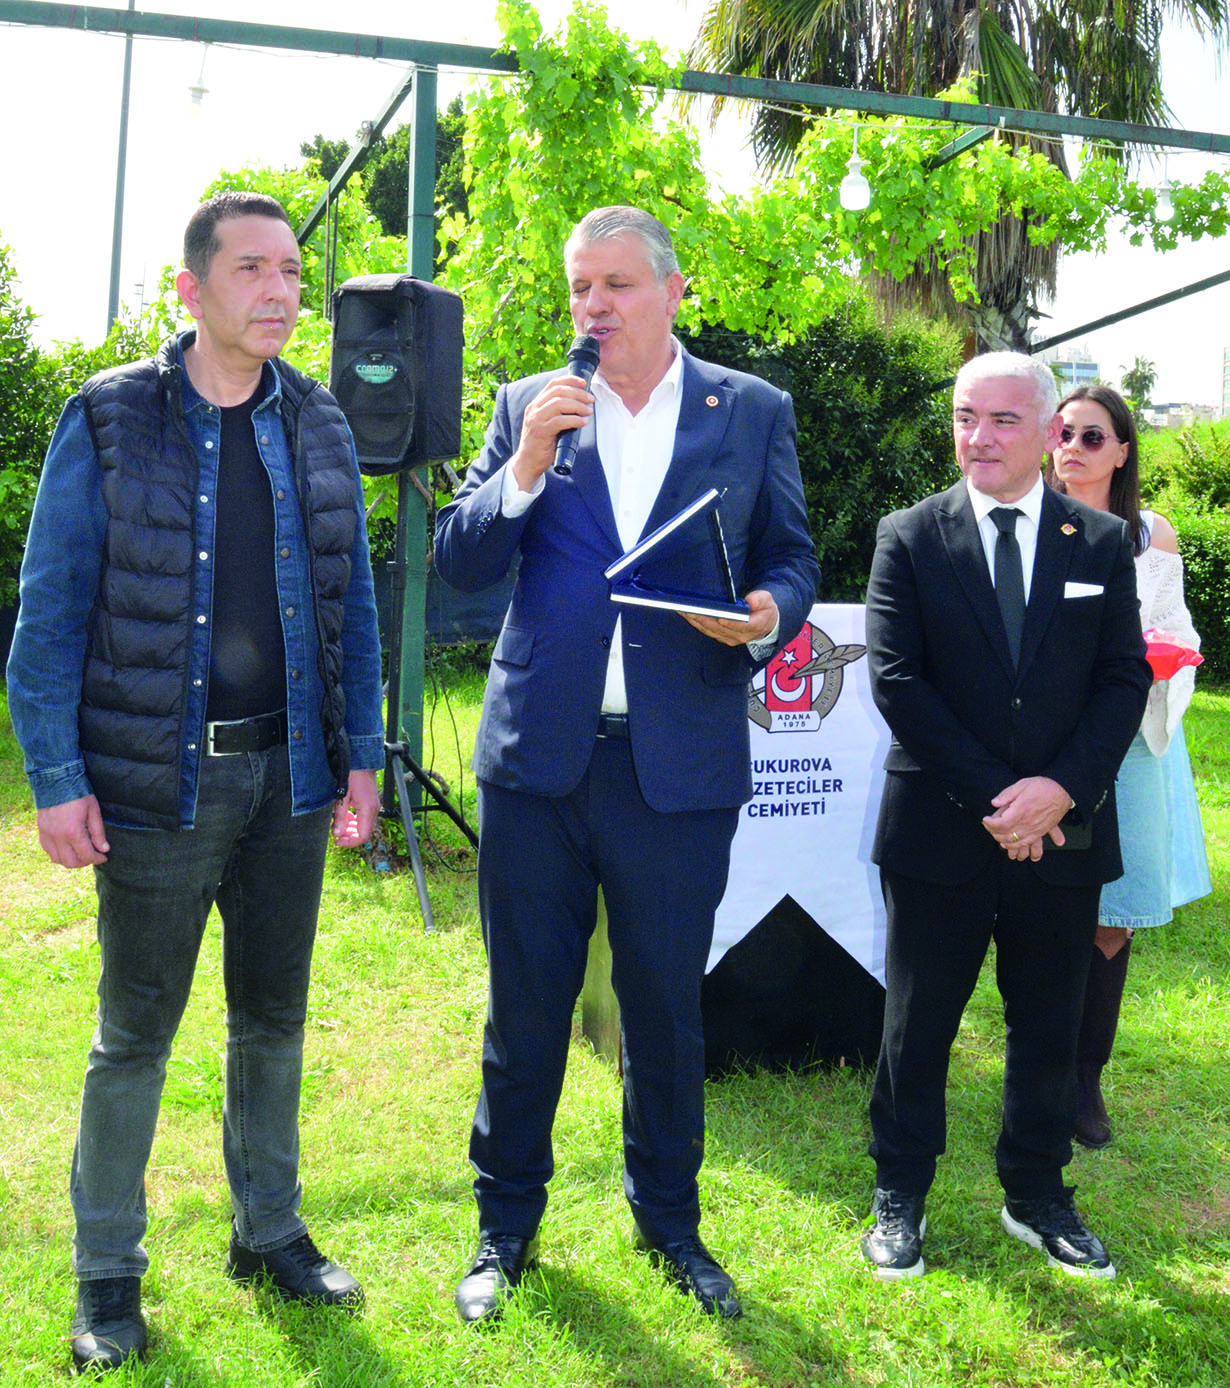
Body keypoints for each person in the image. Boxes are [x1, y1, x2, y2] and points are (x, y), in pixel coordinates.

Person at [6, 191, 386, 1372]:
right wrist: (56, 775)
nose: (280, 291)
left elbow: (354, 603)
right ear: (192, 287)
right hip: (157, 784)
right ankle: (107, 1274)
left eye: (292, 271)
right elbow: (49, 614)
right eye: (252, 269)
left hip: (291, 778)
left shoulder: (319, 421)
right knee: (135, 1032)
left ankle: (268, 1231)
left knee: (273, 1018)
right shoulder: (110, 418)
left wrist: (362, 753)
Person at [434, 205, 819, 1324]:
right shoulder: (529, 403)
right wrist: (523, 467)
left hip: (678, 765)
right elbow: (461, 558)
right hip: (538, 763)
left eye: (616, 284)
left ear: (673, 290)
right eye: (579, 288)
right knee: (526, 1007)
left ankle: (670, 1223)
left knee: (663, 1007)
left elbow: (791, 556)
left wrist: (766, 613)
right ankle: (504, 1227)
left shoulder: (750, 409)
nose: (593, 306)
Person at [860, 351, 1152, 1282]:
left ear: (1046, 429)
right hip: (942, 828)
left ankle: (1036, 1193)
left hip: (1063, 832)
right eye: (963, 417)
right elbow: (897, 681)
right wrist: (1003, 799)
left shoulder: (1099, 542)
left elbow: (1123, 678)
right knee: (918, 1021)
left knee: (1050, 1022)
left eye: (1001, 420)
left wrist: (1060, 790)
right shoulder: (909, 536)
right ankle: (900, 1190)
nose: (977, 437)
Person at [1047, 385, 1211, 1149]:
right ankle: (1040, 1071)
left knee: (1115, 916)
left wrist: (1156, 659)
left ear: (1121, 451)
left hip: (1133, 743)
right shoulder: (1026, 523)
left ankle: (1085, 1080)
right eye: (1063, 433)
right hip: (1047, 744)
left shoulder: (1153, 534)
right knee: (1044, 911)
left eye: (1092, 436)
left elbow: (1176, 632)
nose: (1073, 448)